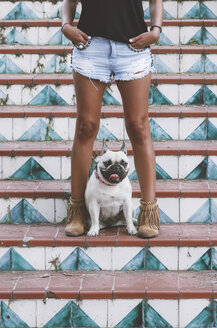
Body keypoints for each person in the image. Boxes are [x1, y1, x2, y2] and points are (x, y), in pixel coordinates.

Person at [61, 0, 163, 238]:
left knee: (138, 126)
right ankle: (77, 211)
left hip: (133, 47)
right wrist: (66, 25)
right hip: (90, 45)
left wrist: (156, 31)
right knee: (86, 126)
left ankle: (148, 212)